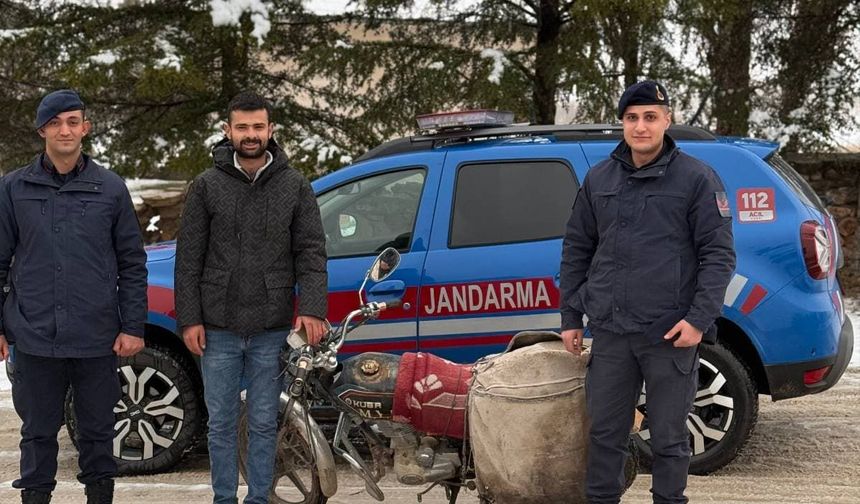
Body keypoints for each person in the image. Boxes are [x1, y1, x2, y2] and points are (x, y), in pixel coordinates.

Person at [559, 80, 735, 504]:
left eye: (650, 117)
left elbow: (719, 256)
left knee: (670, 439)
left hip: (668, 334)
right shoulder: (599, 177)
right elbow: (577, 248)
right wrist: (570, 317)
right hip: (612, 332)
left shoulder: (696, 178)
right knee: (604, 435)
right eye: (633, 118)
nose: (641, 126)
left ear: (667, 121)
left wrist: (697, 320)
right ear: (622, 123)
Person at [175, 91, 328, 504]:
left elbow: (310, 252)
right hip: (217, 327)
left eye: (258, 127)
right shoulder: (206, 186)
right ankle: (224, 499)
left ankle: (258, 498)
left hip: (271, 325)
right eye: (242, 127)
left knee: (263, 422)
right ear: (228, 131)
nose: (250, 135)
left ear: (270, 130)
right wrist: (189, 318)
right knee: (222, 424)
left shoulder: (295, 185)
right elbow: (188, 258)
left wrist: (312, 307)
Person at [0, 89, 148, 504]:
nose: (64, 130)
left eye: (72, 121)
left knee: (98, 433)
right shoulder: (13, 188)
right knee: (38, 433)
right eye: (55, 123)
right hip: (34, 336)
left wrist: (132, 325)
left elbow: (132, 262)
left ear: (85, 128)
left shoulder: (110, 188)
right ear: (42, 130)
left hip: (95, 336)